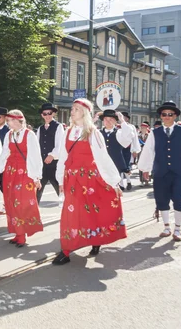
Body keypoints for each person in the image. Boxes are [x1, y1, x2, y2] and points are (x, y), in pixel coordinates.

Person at [52, 99, 126, 265]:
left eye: (76, 109)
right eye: (72, 108)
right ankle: (66, 250)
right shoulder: (67, 131)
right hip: (71, 178)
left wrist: (114, 182)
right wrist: (60, 179)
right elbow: (63, 157)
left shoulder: (93, 132)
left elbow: (103, 158)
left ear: (84, 113)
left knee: (92, 211)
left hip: (89, 180)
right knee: (70, 214)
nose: (72, 111)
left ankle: (96, 239)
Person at [138, 101, 181, 242]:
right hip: (160, 171)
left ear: (175, 116)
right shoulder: (154, 133)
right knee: (161, 198)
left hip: (178, 171)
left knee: (179, 199)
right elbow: (148, 151)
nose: (167, 117)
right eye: (164, 114)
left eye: (170, 114)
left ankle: (178, 229)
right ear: (161, 116)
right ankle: (166, 227)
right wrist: (146, 169)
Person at [0, 110, 44, 247]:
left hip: (25, 172)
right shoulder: (9, 134)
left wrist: (36, 177)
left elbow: (35, 156)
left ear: (18, 120)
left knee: (22, 203)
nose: (8, 123)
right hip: (10, 172)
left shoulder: (29, 135)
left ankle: (23, 234)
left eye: (10, 121)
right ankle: (17, 233)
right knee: (11, 202)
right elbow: (4, 153)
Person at [97, 110, 135, 191]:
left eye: (111, 119)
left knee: (113, 190)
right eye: (106, 119)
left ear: (115, 121)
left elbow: (129, 135)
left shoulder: (119, 133)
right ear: (103, 121)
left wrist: (122, 120)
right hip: (100, 165)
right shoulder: (98, 133)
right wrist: (93, 119)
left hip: (115, 166)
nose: (108, 121)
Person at [36, 102, 65, 203]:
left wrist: (52, 155)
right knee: (37, 190)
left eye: (49, 113)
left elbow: (60, 144)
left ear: (53, 114)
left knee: (60, 189)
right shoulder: (40, 129)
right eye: (45, 114)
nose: (47, 116)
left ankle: (67, 212)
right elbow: (37, 146)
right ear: (42, 115)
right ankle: (34, 215)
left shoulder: (58, 127)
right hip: (42, 165)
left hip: (54, 165)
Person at [118, 111, 140, 190]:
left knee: (126, 165)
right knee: (118, 166)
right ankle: (121, 184)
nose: (122, 118)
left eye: (124, 117)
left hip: (127, 148)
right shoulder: (117, 126)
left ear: (127, 119)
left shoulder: (131, 127)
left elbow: (134, 139)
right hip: (118, 148)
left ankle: (128, 181)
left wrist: (134, 150)